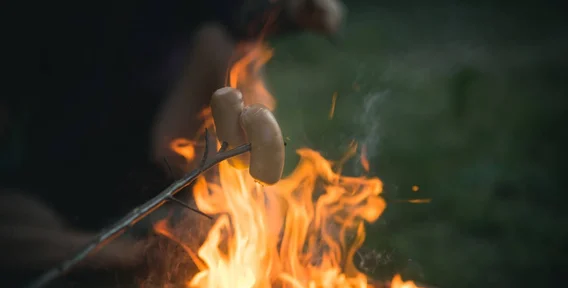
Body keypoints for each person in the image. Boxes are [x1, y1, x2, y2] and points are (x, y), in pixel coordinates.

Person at [0, 0, 345, 272]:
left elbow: (242, 16)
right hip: (56, 185)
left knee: (218, 44)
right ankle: (126, 254)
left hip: (163, 175)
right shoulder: (33, 14)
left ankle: (246, 210)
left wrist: (293, 11)